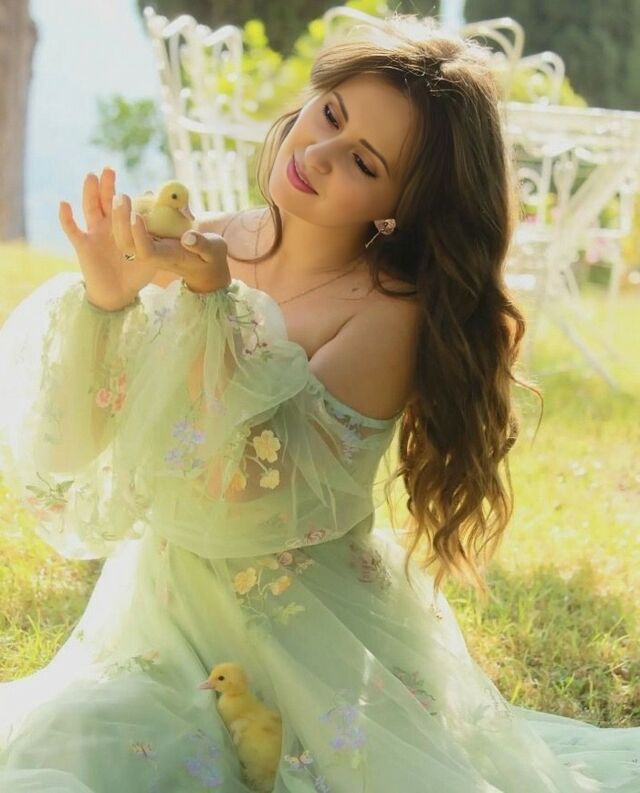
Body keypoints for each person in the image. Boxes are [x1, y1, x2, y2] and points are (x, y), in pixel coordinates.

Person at [0, 12, 638, 793]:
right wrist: (106, 300)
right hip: (160, 611)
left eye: (363, 161)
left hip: (299, 636)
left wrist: (212, 308)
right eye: (329, 114)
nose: (319, 154)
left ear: (399, 203)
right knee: (73, 744)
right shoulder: (207, 241)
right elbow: (74, 447)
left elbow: (242, 490)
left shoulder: (384, 315)